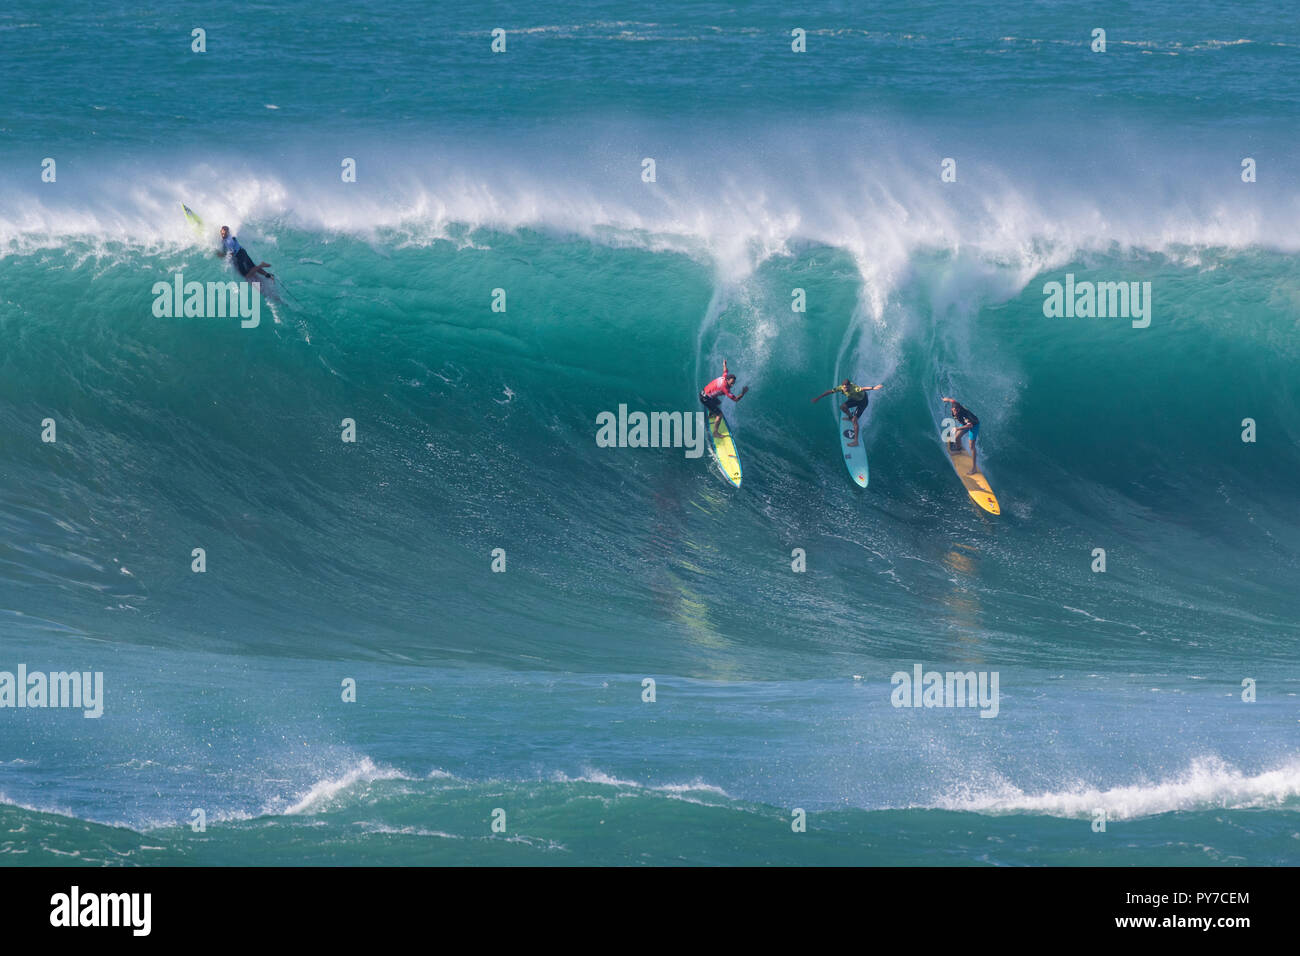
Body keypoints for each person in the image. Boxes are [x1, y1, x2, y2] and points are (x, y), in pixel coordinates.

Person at [812, 378, 882, 447]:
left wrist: (873, 388)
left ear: (849, 386)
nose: (844, 389)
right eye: (843, 387)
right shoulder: (841, 387)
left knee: (855, 420)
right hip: (854, 399)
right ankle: (850, 417)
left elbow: (863, 388)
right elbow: (830, 391)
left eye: (846, 387)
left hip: (862, 402)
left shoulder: (854, 388)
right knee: (843, 407)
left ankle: (855, 441)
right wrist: (818, 398)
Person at [699, 359, 748, 437]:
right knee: (720, 414)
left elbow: (725, 371)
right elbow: (735, 400)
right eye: (731, 383)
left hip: (703, 393)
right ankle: (715, 433)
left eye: (733, 383)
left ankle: (711, 414)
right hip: (705, 398)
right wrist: (743, 393)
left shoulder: (724, 377)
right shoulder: (724, 388)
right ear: (727, 380)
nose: (732, 385)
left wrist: (724, 364)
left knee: (718, 402)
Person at [941, 397, 980, 474]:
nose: (955, 412)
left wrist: (958, 429)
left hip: (973, 425)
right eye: (954, 410)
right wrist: (946, 399)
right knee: (957, 437)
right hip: (964, 423)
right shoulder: (955, 405)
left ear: (959, 410)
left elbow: (970, 425)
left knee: (971, 446)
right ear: (952, 409)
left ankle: (974, 468)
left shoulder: (964, 415)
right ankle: (959, 449)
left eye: (956, 411)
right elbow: (953, 401)